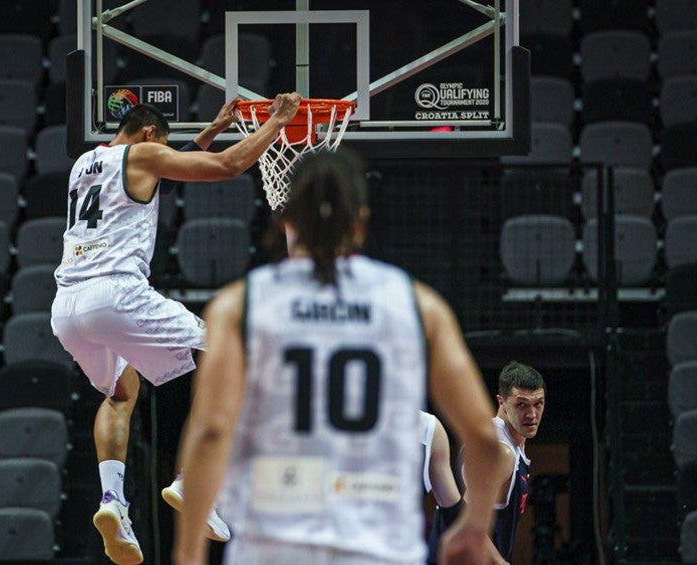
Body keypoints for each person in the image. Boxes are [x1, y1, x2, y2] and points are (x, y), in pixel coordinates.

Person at [172, 152, 506, 565]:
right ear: (361, 220)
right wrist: (473, 528)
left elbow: (210, 432)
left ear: (286, 219)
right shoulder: (418, 305)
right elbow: (484, 439)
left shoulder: (239, 306)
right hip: (379, 553)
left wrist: (188, 552)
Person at [50, 93, 302, 565]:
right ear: (150, 134)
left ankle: (113, 503)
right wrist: (278, 123)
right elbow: (226, 166)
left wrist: (213, 127)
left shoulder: (85, 162)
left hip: (66, 306)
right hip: (116, 294)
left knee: (121, 393)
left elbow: (169, 163)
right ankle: (193, 481)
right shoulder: (145, 153)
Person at [427, 361, 546, 563]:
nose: (532, 414)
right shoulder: (501, 453)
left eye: (538, 404)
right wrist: (499, 562)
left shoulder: (500, 443)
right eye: (521, 405)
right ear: (502, 402)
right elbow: (464, 516)